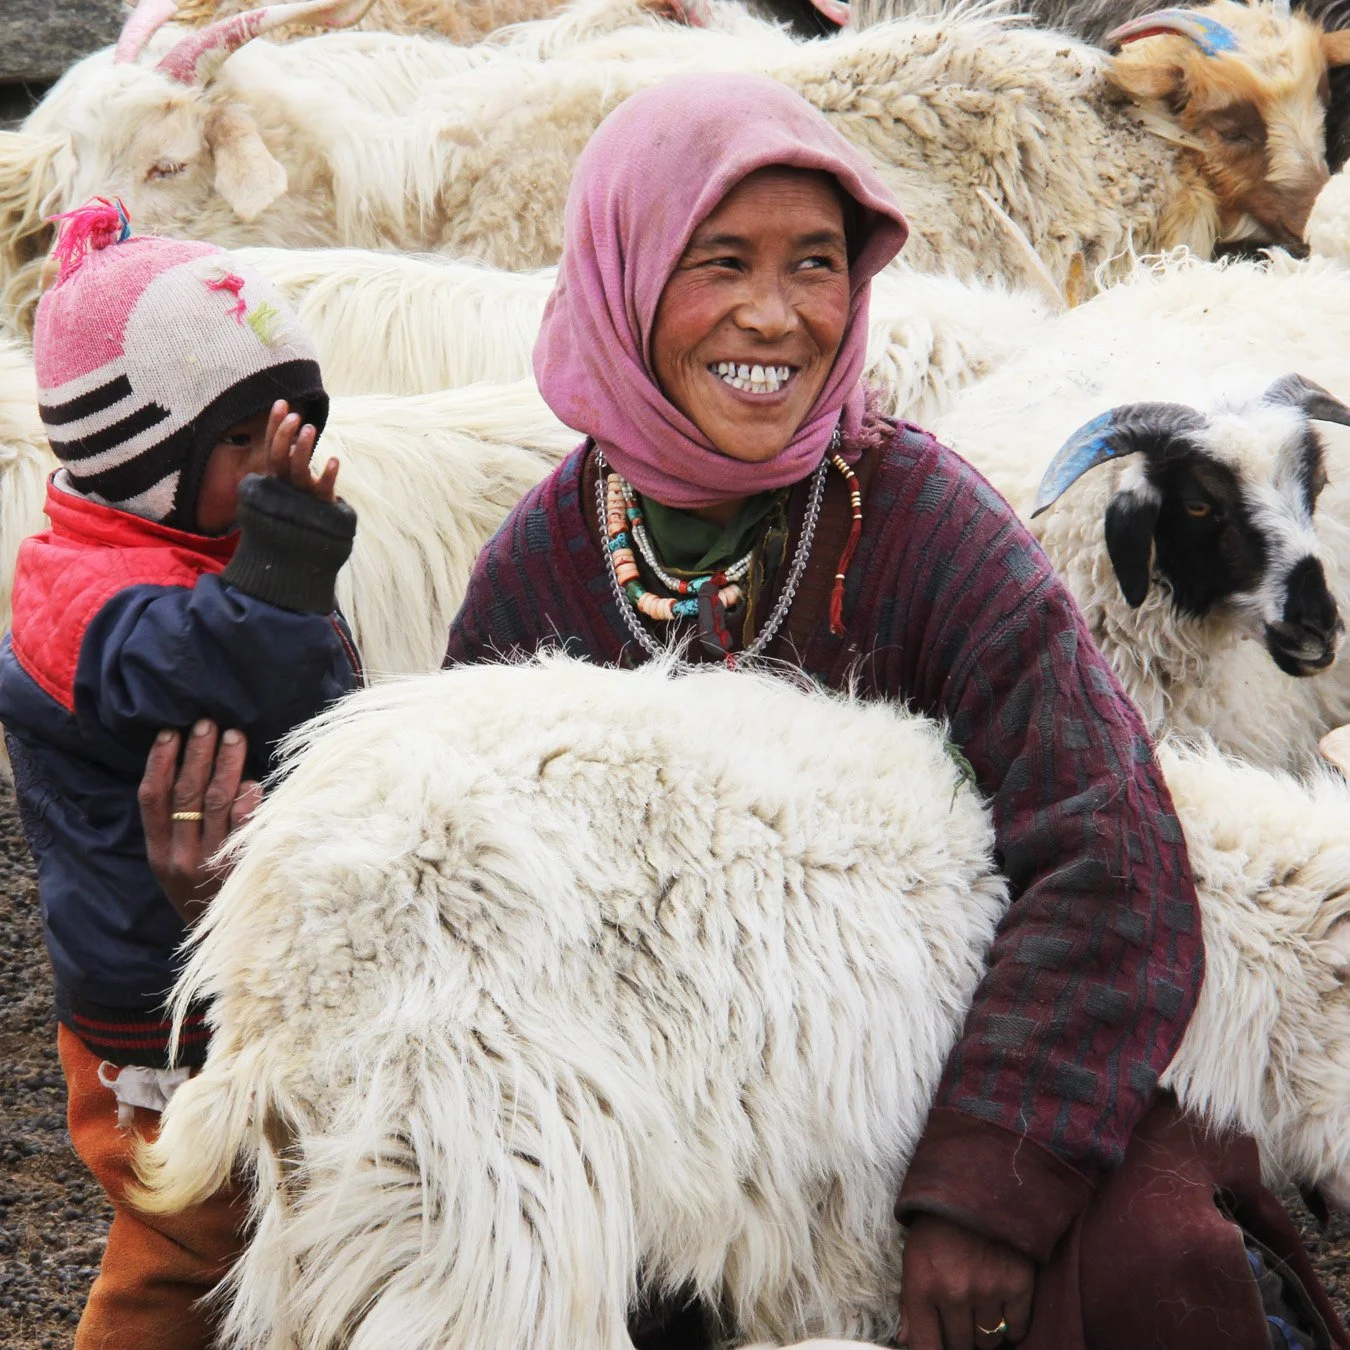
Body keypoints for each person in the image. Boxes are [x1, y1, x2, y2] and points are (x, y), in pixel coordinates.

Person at [441, 73, 1349, 1350]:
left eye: (816, 263)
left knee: (1162, 1276)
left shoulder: (927, 526)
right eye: (721, 262)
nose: (776, 314)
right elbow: (471, 888)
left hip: (968, 1067)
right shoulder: (542, 569)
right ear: (624, 272)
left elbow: (1111, 860)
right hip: (676, 1112)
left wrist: (988, 1191)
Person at [0, 200, 362, 1350]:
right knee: (189, 1233)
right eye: (245, 439)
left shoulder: (190, 563)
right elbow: (246, 679)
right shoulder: (86, 599)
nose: (278, 463)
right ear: (140, 456)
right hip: (151, 1010)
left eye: (292, 425)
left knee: (281, 1217)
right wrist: (290, 563)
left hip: (211, 973)